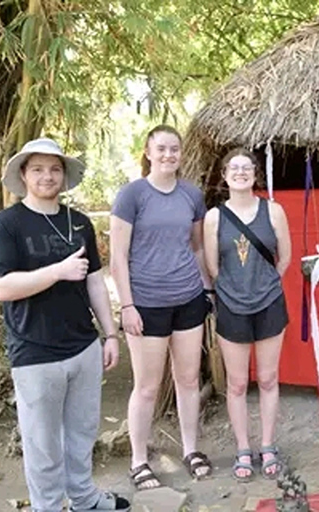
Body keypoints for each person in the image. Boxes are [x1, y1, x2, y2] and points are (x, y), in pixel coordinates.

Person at [0, 138, 130, 511]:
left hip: (83, 346)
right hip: (35, 351)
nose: (47, 176)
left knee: (81, 435)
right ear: (23, 175)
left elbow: (95, 280)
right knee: (43, 443)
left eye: (54, 169)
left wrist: (110, 334)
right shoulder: (6, 225)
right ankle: (47, 507)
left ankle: (83, 499)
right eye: (38, 169)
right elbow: (2, 288)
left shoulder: (78, 222)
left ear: (64, 176)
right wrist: (57, 272)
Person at [109, 125, 213, 490]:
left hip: (187, 298)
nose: (169, 155)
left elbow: (197, 247)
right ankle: (139, 460)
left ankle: (190, 449)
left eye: (174, 149)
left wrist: (207, 290)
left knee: (187, 379)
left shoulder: (191, 195)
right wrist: (127, 306)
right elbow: (118, 257)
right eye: (162, 149)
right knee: (147, 387)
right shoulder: (132, 195)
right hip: (146, 303)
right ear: (148, 152)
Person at [203, 147, 292, 482]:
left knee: (268, 379)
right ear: (224, 176)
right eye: (233, 168)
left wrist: (264, 284)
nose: (240, 172)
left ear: (255, 175)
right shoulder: (214, 217)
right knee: (238, 383)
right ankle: (243, 448)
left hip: (269, 302)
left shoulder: (273, 211)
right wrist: (234, 289)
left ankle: (268, 445)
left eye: (246, 168)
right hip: (231, 305)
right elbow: (212, 266)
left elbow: (284, 257)